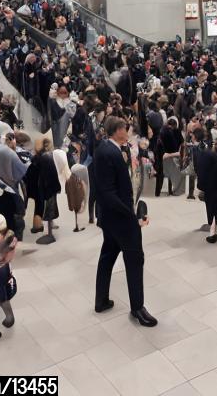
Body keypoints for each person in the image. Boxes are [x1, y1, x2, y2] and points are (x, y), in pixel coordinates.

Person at [93, 117, 156, 327]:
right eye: (125, 128)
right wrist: (130, 214)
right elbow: (108, 192)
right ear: (117, 131)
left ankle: (101, 300)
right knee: (135, 260)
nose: (128, 131)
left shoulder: (107, 148)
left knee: (107, 256)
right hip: (121, 219)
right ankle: (138, 308)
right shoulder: (109, 152)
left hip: (110, 219)